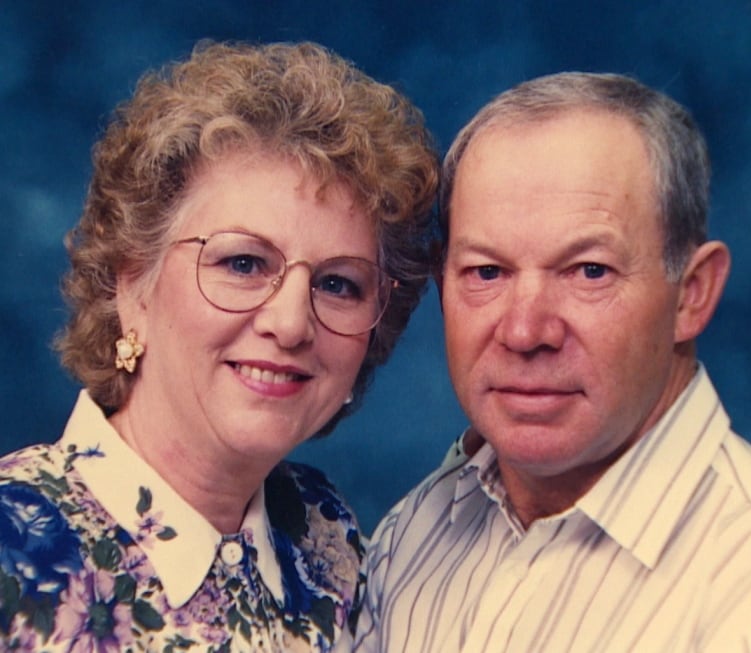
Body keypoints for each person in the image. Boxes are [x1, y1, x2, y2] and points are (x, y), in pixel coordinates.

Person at [0, 41, 437, 652]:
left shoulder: (321, 531)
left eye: (338, 284)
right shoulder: (12, 554)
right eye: (243, 262)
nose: (290, 324)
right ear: (134, 289)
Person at [353, 72, 751, 652]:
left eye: (589, 272)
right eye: (487, 272)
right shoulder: (411, 538)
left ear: (692, 294)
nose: (526, 330)